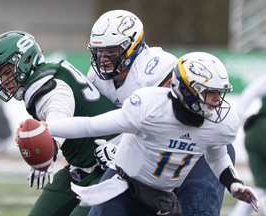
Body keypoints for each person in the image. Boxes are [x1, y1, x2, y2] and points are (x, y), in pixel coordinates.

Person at [31, 52, 259, 215]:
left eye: (219, 93)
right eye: (211, 93)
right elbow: (92, 125)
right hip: (125, 188)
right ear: (189, 91)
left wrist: (234, 184)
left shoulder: (219, 123)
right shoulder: (150, 108)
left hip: (163, 197)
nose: (218, 101)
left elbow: (217, 154)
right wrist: (47, 129)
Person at [86, 9, 236, 215]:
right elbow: (100, 122)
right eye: (99, 52)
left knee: (198, 209)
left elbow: (167, 122)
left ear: (133, 46)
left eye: (111, 52)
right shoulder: (96, 76)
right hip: (148, 156)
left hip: (195, 149)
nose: (103, 59)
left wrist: (116, 146)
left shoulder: (156, 67)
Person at [0, 30, 118, 216]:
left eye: (7, 72)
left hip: (110, 168)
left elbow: (59, 115)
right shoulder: (47, 75)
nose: (5, 81)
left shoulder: (49, 87)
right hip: (81, 167)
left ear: (25, 61)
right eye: (1, 76)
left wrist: (48, 148)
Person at [230, 75, 266, 216]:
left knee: (261, 187)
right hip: (261, 131)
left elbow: (248, 95)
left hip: (255, 131)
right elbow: (249, 94)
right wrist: (235, 121)